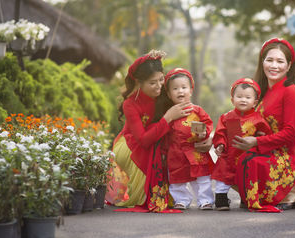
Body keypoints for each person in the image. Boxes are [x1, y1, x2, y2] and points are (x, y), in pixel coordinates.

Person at [233, 38, 295, 212]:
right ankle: (261, 195)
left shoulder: (291, 91)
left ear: (289, 66)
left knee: (249, 161)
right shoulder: (262, 92)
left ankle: (289, 194)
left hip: (294, 156)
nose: (274, 66)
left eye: (280, 61)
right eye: (269, 60)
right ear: (262, 62)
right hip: (271, 150)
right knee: (228, 159)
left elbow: (290, 134)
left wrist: (256, 142)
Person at [105, 50, 192, 212]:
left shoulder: (163, 93)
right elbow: (143, 140)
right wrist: (167, 118)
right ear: (139, 83)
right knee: (153, 148)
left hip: (154, 140)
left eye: (161, 79)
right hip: (130, 144)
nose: (159, 86)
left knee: (169, 147)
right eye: (153, 83)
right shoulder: (130, 104)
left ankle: (174, 191)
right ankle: (147, 194)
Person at [212, 78, 271, 211]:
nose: (243, 100)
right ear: (232, 100)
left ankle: (246, 198)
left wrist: (260, 139)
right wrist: (220, 145)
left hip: (247, 156)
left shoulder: (258, 119)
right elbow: (220, 133)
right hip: (229, 154)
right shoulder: (226, 117)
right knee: (223, 174)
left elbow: (266, 135)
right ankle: (221, 198)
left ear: (255, 102)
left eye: (247, 97)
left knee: (247, 176)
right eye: (239, 96)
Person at [162, 68, 214, 210]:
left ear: (191, 90)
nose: (180, 91)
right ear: (168, 93)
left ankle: (205, 200)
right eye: (175, 88)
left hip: (195, 150)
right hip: (176, 152)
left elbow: (208, 123)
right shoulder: (170, 114)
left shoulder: (197, 111)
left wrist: (204, 133)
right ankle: (181, 199)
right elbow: (163, 131)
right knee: (177, 178)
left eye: (184, 87)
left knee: (202, 178)